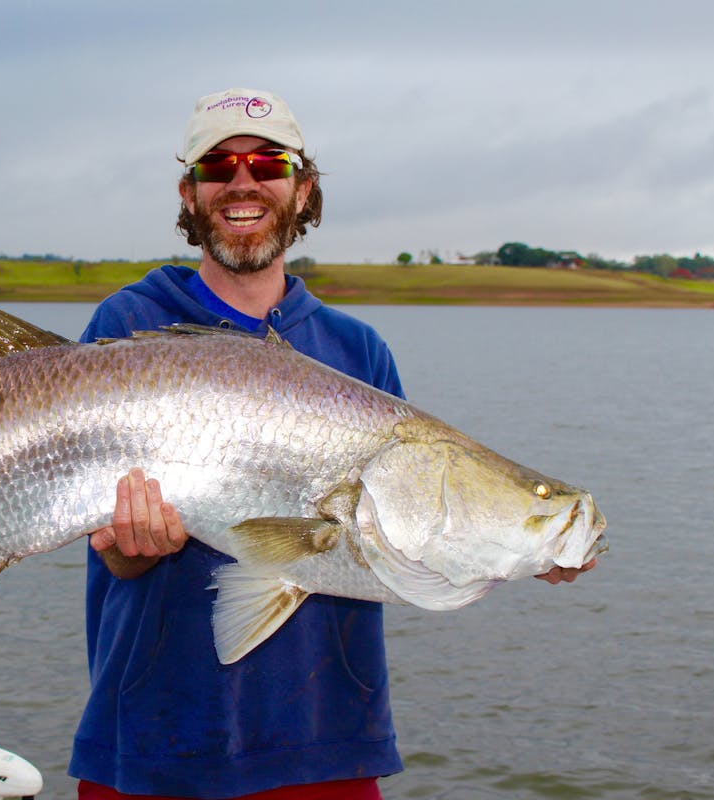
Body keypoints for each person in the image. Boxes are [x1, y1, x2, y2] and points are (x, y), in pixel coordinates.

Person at [68, 87, 595, 800]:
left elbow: (396, 539)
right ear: (189, 194)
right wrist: (128, 546)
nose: (243, 182)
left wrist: (516, 545)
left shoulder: (359, 350)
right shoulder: (128, 323)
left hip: (329, 746)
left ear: (302, 187)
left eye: (267, 163)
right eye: (219, 167)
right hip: (152, 746)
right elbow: (108, 549)